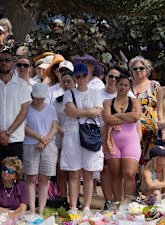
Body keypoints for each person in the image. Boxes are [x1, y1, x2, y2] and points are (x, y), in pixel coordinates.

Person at [0, 49, 32, 180]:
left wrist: (8, 133)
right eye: (1, 60)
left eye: (7, 60)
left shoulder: (22, 85)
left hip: (15, 139)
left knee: (16, 176)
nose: (4, 63)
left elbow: (24, 111)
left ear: (12, 63)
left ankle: (14, 201)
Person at [60, 63, 103, 211]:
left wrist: (80, 111)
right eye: (77, 76)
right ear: (74, 78)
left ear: (88, 76)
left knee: (88, 172)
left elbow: (97, 112)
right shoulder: (68, 93)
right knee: (74, 172)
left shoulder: (95, 92)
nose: (81, 78)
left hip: (90, 134)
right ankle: (73, 206)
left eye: (83, 75)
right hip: (72, 134)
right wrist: (88, 112)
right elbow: (70, 112)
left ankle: (86, 207)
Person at [103, 75, 141, 202]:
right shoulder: (108, 102)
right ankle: (118, 204)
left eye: (126, 85)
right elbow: (107, 119)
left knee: (129, 174)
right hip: (113, 142)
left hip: (130, 141)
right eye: (120, 84)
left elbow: (136, 117)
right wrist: (127, 116)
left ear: (129, 87)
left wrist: (117, 115)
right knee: (116, 175)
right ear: (116, 85)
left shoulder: (135, 101)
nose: (123, 87)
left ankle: (128, 204)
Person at [24, 83, 59, 215]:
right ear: (32, 96)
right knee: (31, 178)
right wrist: (39, 137)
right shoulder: (26, 108)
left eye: (42, 98)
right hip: (30, 144)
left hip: (48, 146)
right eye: (37, 98)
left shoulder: (50, 108)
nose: (39, 101)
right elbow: (24, 127)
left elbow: (55, 126)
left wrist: (44, 141)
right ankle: (32, 209)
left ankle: (42, 209)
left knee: (44, 179)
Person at [100, 66, 125, 206]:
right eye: (111, 76)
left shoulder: (127, 95)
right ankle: (108, 200)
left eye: (116, 77)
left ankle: (119, 200)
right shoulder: (97, 94)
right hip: (99, 135)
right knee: (105, 169)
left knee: (118, 171)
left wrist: (111, 118)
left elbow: (134, 117)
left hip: (121, 136)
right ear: (105, 76)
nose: (113, 80)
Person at [130, 56, 160, 162]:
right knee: (134, 162)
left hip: (152, 132)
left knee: (151, 163)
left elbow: (160, 107)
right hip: (133, 130)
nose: (138, 71)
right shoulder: (128, 86)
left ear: (146, 69)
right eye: (135, 69)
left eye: (141, 68)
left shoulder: (154, 85)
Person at [51, 71, 75, 207]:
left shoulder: (78, 99)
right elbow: (54, 120)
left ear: (74, 82)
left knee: (73, 171)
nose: (66, 84)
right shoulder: (57, 101)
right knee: (61, 171)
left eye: (69, 81)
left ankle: (74, 199)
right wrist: (64, 132)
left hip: (75, 138)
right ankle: (63, 198)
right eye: (63, 81)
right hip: (60, 138)